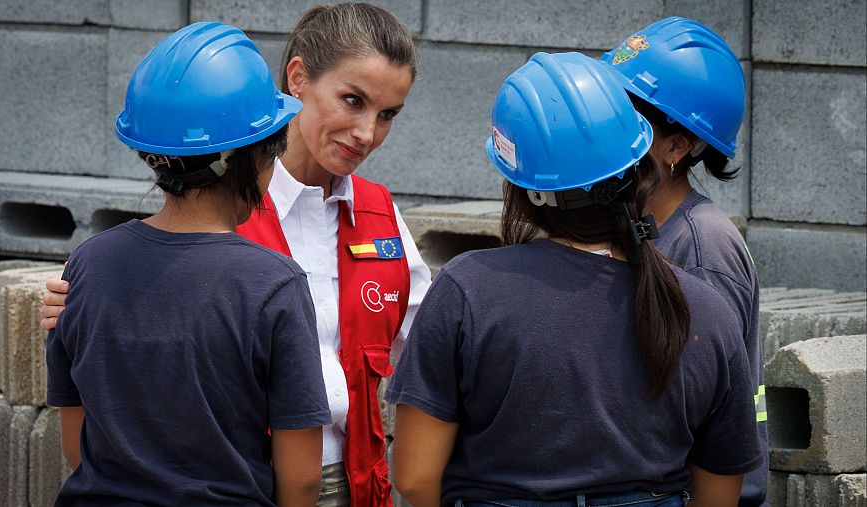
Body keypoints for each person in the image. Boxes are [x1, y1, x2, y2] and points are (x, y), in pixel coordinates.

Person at [41, 4, 431, 506]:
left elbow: (432, 353)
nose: (367, 133)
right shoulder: (217, 210)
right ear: (297, 79)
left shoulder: (380, 215)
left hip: (353, 483)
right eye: (352, 100)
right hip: (250, 483)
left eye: (388, 114)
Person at [386, 52, 762, 507]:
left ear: (524, 188)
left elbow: (415, 478)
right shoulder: (705, 308)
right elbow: (720, 492)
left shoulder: (467, 290)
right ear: (638, 169)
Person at [601, 17, 767, 506]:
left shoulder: (702, 247)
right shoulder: (635, 224)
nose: (608, 128)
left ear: (677, 146)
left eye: (630, 119)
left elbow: (705, 404)